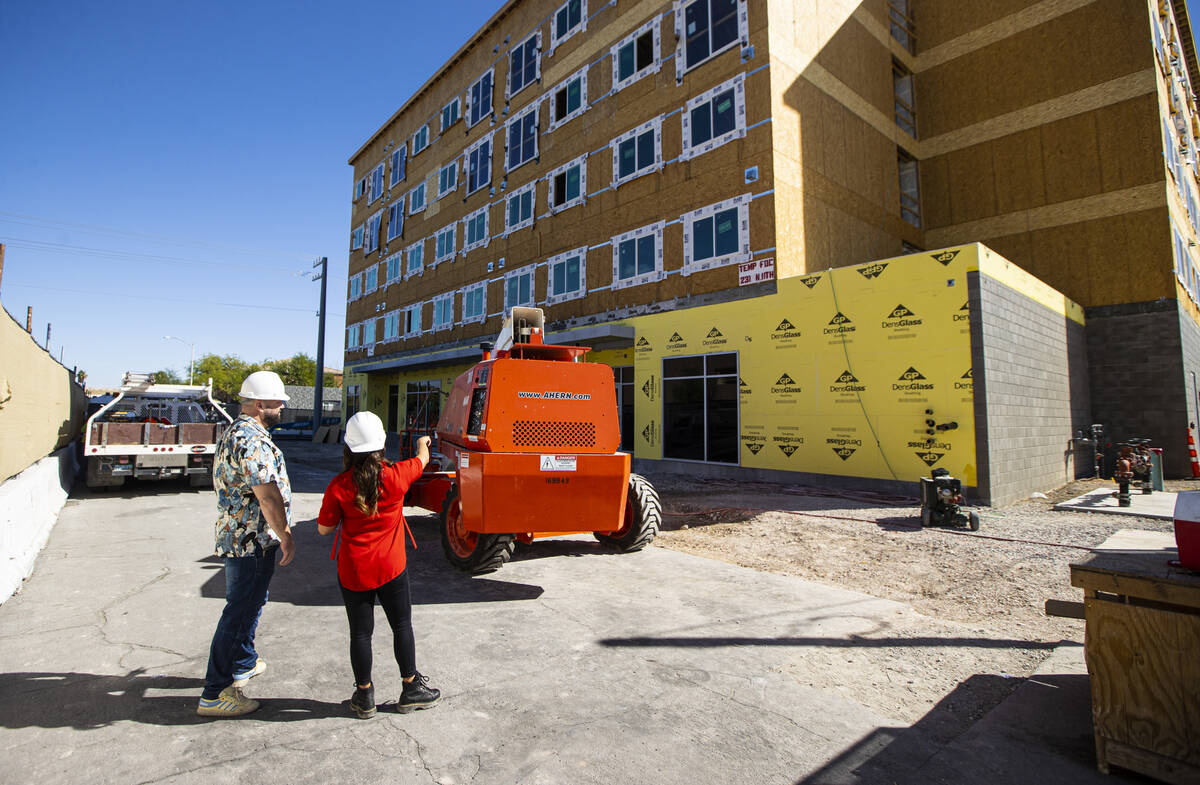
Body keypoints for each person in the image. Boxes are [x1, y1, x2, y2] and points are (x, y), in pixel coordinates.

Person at [318, 411, 441, 718]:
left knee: (360, 634)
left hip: (354, 570)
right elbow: (423, 459)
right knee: (402, 626)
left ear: (348, 446)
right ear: (381, 444)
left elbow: (324, 529)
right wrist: (424, 443)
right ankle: (411, 687)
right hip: (392, 567)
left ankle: (364, 696)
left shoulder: (339, 486)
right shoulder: (398, 475)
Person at [197, 371, 295, 718]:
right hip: (250, 541)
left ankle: (243, 662)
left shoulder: (237, 432)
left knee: (250, 602)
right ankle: (215, 692)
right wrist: (285, 535)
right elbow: (267, 496)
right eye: (277, 403)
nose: (282, 407)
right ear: (259, 405)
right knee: (238, 612)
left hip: (241, 538)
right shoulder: (251, 440)